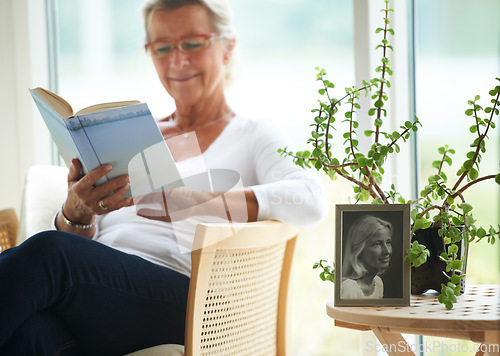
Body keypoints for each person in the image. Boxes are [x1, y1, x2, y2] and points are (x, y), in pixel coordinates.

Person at [0, 0, 328, 354]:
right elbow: (86, 244)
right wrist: (76, 213)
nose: (177, 61)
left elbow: (310, 198)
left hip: (191, 301)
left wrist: (197, 200)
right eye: (162, 47)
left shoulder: (252, 133)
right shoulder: (129, 135)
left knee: (51, 254)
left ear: (227, 47)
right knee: (31, 330)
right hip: (99, 289)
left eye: (192, 43)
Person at [341, 215, 393, 299]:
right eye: (377, 244)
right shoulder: (349, 289)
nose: (387, 251)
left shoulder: (378, 283)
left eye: (388, 242)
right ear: (359, 249)